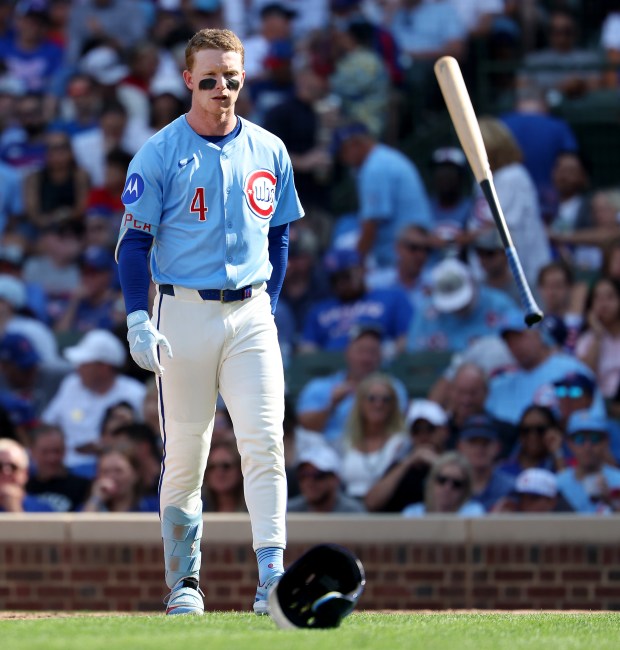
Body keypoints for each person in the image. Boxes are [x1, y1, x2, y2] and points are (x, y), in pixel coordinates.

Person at [115, 28, 304, 617]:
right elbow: (132, 245)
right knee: (187, 453)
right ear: (186, 81)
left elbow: (281, 235)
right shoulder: (160, 151)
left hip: (248, 309)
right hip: (183, 311)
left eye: (232, 77)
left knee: (264, 441)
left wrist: (267, 305)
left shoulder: (270, 148)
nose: (222, 88)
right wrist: (138, 316)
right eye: (210, 78)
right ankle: (184, 583)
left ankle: (272, 575)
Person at [41, 329, 146, 477]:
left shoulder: (135, 393)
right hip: (61, 466)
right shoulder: (71, 384)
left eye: (84, 363)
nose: (78, 368)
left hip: (106, 470)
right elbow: (48, 423)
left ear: (104, 367)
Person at [331, 121, 433, 270]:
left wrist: (356, 264)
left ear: (355, 144)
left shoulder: (375, 168)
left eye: (342, 152)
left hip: (405, 260)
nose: (342, 159)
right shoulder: (384, 158)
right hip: (412, 253)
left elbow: (370, 226)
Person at [295, 324, 407, 450]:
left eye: (372, 352)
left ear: (380, 356)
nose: (366, 358)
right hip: (326, 451)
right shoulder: (320, 387)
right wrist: (332, 404)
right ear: (347, 352)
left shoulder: (392, 387)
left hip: (372, 450)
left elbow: (397, 426)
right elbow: (306, 427)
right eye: (361, 351)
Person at [406, 257, 520, 353]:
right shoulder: (427, 311)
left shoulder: (497, 304)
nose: (457, 308)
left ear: (473, 284)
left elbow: (522, 335)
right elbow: (414, 353)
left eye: (462, 303)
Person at [364, 398, 450, 513]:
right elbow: (371, 503)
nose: (423, 436)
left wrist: (437, 464)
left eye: (430, 429)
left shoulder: (455, 463)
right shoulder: (400, 466)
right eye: (416, 430)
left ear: (444, 431)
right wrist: (408, 462)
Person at [340, 373, 408, 501]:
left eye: (385, 399)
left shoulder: (401, 442)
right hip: (348, 511)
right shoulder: (347, 441)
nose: (378, 404)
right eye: (372, 398)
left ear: (393, 405)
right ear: (360, 403)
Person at [556, 410, 620, 514]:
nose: (587, 446)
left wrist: (611, 502)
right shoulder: (558, 484)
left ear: (606, 441)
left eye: (595, 438)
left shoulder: (618, 481)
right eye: (579, 439)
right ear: (569, 443)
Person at [25, 424, 91, 512]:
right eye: (45, 452)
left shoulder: (83, 486)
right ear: (32, 452)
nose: (52, 458)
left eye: (56, 451)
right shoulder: (24, 486)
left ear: (65, 450)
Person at [456, 414, 515, 512]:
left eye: (485, 442)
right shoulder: (448, 483)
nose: (479, 448)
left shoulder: (510, 489)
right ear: (460, 447)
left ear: (498, 447)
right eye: (473, 442)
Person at [287, 442, 366, 514]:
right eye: (303, 475)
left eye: (318, 475)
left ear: (336, 479)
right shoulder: (288, 512)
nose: (309, 482)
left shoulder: (353, 513)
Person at [402, 451, 485, 517]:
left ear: (465, 489)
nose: (447, 487)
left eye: (456, 483)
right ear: (432, 481)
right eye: (442, 480)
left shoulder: (473, 513)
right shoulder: (412, 514)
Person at [575, 277, 620, 399]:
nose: (604, 304)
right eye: (598, 298)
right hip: (598, 405)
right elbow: (586, 376)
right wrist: (598, 335)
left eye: (610, 297)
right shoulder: (586, 339)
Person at [81, 446, 159, 513]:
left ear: (135, 474)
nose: (112, 477)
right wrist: (95, 500)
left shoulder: (155, 507)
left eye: (118, 470)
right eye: (105, 471)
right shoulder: (90, 507)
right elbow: (82, 528)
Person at [498, 405, 566, 477]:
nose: (532, 436)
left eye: (540, 430)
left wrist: (557, 451)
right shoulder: (504, 469)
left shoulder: (557, 467)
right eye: (526, 430)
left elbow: (567, 486)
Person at [0, 437, 54, 512]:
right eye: (0, 466)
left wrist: (14, 509)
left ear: (25, 473)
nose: (6, 472)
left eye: (13, 467)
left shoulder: (43, 509)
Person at [492, 467, 569, 514]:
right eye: (521, 497)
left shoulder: (566, 528)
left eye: (533, 498)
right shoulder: (514, 526)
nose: (525, 504)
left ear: (552, 502)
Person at [201, 438, 247, 513]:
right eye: (212, 467)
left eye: (226, 466)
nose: (219, 472)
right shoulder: (196, 511)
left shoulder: (256, 510)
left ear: (240, 470)